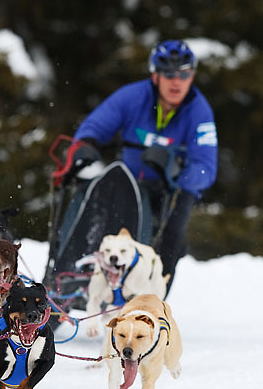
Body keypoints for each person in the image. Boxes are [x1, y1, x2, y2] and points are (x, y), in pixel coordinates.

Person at [68, 39, 218, 294]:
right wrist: (87, 144)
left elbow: (206, 167)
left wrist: (174, 171)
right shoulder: (133, 96)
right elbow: (96, 124)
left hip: (170, 190)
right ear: (155, 76)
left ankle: (153, 296)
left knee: (174, 230)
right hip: (131, 184)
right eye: (169, 74)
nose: (176, 82)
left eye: (184, 74)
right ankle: (76, 278)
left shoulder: (199, 111)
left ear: (192, 77)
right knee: (99, 203)